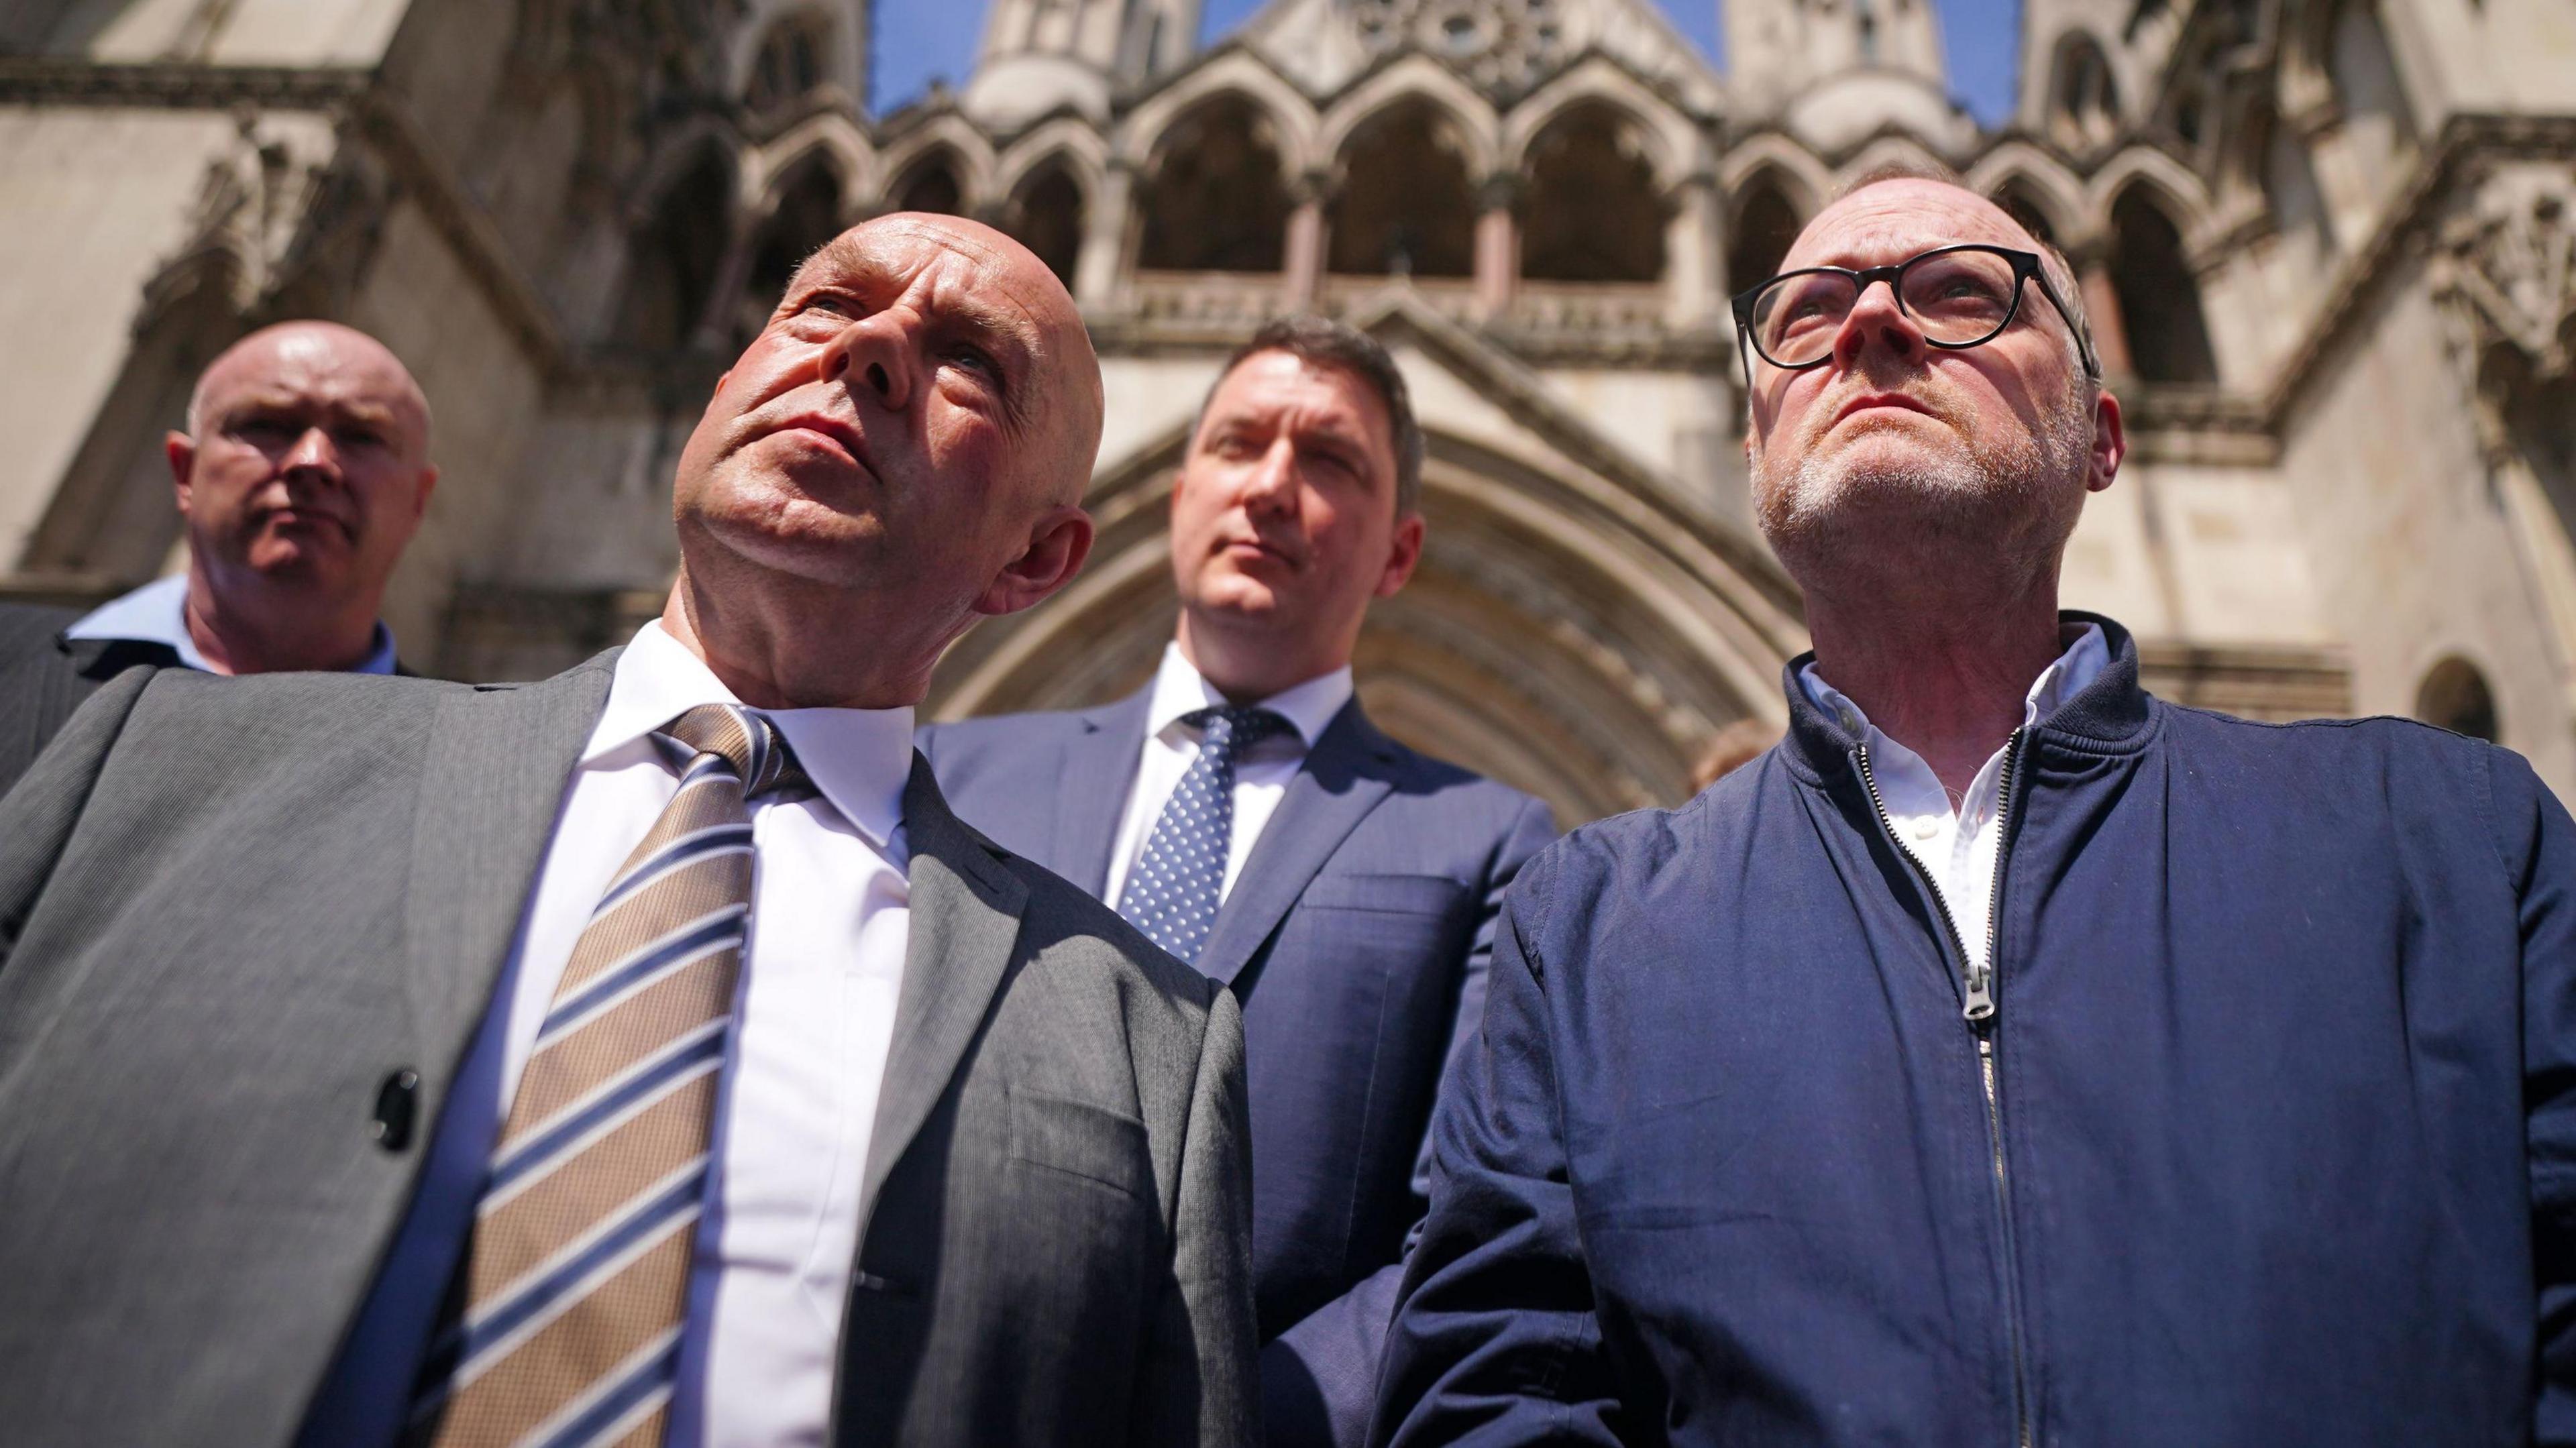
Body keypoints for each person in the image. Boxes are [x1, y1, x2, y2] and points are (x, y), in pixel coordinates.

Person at [0, 215, 1256, 1448]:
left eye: (970, 361)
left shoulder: (1149, 1040)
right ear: (722, 394)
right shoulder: (181, 758)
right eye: (825, 304)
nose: (868, 349)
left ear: (1037, 563)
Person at [1373, 168, 2576, 1447]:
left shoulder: (2448, 841)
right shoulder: (1585, 928)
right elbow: (1497, 1391)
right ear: (1755, 448)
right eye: (1804, 312)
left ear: (2102, 435)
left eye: (1961, 294)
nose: (1870, 326)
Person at [920, 317, 1554, 1447]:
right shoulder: (956, 773)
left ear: (1400, 552)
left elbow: (1471, 1219)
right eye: (1240, 442)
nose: (1272, 485)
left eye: (1331, 460)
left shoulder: (1488, 840)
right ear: (1177, 497)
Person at [0, 320, 436, 796]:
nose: (311, 460)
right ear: (185, 472)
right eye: (268, 425)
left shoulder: (461, 770)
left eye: (362, 436)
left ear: (418, 500)